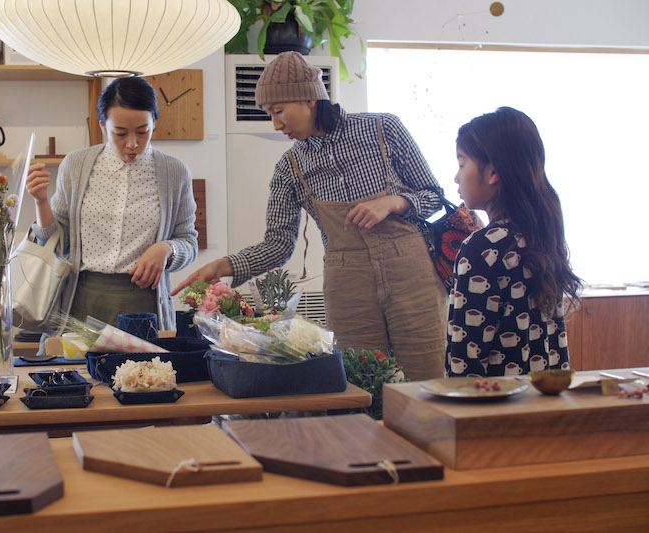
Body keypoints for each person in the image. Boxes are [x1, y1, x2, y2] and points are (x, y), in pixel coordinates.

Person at [172, 51, 447, 382]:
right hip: (349, 286)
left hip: (412, 276)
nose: (276, 124)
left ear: (309, 98)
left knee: (425, 380)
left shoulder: (383, 129)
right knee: (360, 384)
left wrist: (394, 203)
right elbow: (277, 244)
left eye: (278, 111)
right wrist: (224, 266)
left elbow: (434, 195)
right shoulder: (289, 168)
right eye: (269, 114)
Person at [26, 76, 198, 334]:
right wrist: (41, 202)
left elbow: (189, 242)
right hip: (81, 299)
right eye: (120, 133)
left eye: (143, 131)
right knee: (78, 373)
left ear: (155, 123)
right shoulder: (76, 165)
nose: (132, 143)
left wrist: (166, 248)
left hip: (143, 303)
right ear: (102, 126)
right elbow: (57, 245)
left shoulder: (174, 172)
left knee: (145, 375)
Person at [446, 107, 583, 377]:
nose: (456, 177)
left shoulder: (482, 247)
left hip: (494, 410)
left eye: (462, 164)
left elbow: (465, 359)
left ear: (493, 173)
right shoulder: (542, 235)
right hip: (541, 406)